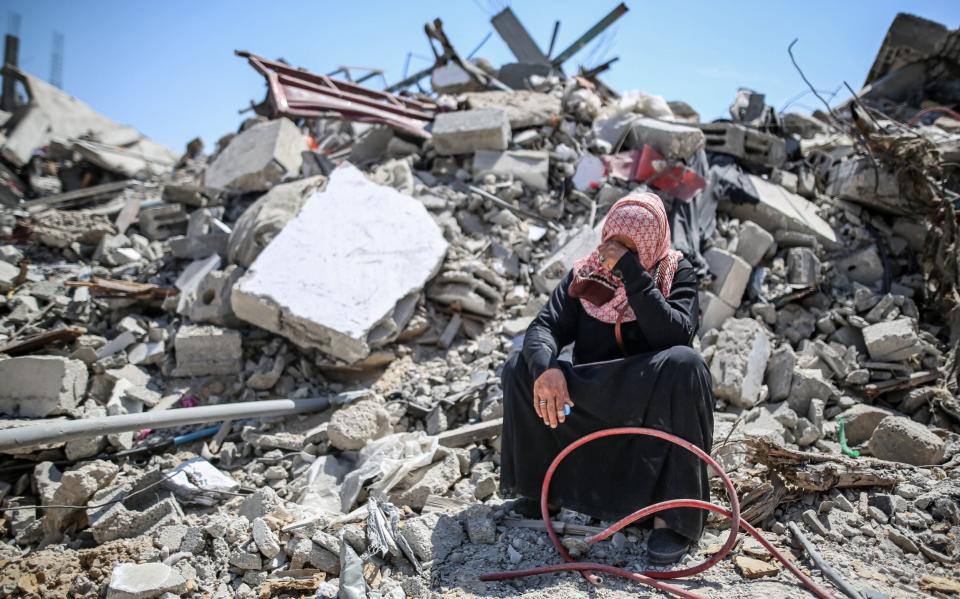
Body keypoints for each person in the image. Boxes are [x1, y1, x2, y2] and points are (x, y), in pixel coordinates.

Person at [499, 191, 714, 564]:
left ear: (651, 243)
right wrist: (547, 369)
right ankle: (540, 493)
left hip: (644, 401)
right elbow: (543, 327)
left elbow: (674, 334)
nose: (615, 254)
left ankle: (673, 520)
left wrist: (632, 273)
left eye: (631, 247)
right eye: (614, 243)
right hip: (593, 397)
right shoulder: (586, 274)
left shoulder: (675, 273)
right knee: (521, 367)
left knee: (685, 366)